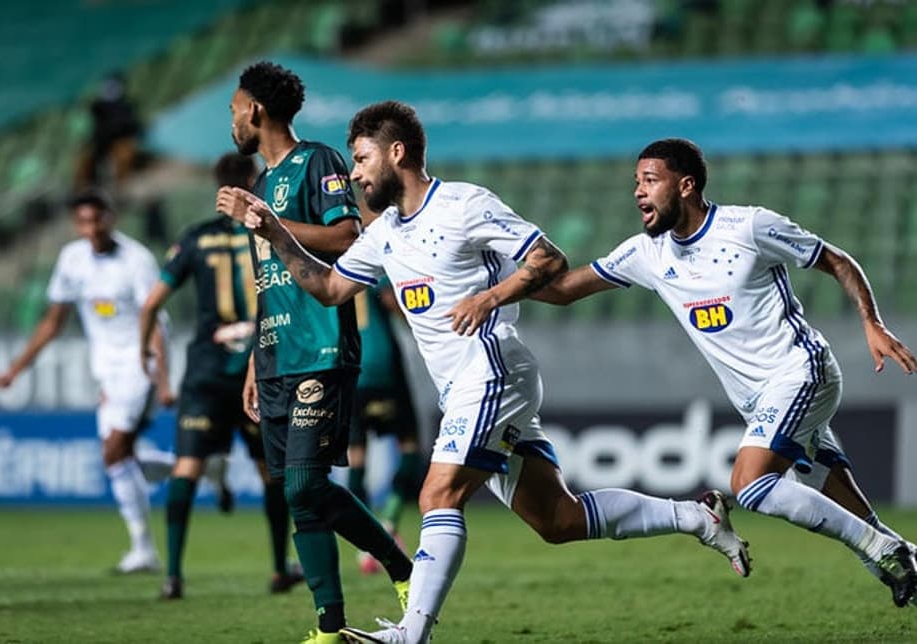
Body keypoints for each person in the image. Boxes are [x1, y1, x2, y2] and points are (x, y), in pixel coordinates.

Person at [221, 100, 754, 644]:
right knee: (557, 520)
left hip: (493, 366)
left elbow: (548, 259)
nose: (354, 173)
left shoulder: (462, 204)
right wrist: (275, 233)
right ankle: (697, 517)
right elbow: (330, 289)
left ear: (396, 153)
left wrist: (489, 297)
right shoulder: (384, 234)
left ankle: (412, 633)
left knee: (438, 495)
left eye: (361, 159)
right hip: (463, 388)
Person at [531, 137, 917, 608]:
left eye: (650, 181)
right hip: (758, 399)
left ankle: (885, 550)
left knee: (751, 486)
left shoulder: (750, 227)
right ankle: (899, 554)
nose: (638, 192)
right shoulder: (646, 254)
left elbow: (835, 259)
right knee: (832, 490)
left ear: (686, 185)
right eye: (636, 183)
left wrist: (871, 322)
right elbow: (563, 290)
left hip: (801, 371)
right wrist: (488, 285)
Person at [214, 62, 412, 644]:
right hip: (276, 353)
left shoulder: (316, 161)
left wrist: (271, 223)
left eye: (233, 110)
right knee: (296, 496)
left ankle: (402, 567)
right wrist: (255, 356)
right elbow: (268, 282)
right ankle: (329, 627)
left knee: (305, 485)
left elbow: (350, 237)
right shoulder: (259, 185)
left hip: (321, 346)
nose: (232, 122)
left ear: (254, 109)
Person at [139, 152, 304, 600]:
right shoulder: (270, 236)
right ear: (253, 183)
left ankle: (172, 575)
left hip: (206, 371)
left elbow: (152, 303)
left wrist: (144, 353)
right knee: (272, 471)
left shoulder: (195, 238)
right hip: (260, 364)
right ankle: (277, 568)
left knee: (186, 469)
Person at [0, 188, 174, 573]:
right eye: (84, 221)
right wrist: (14, 370)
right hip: (105, 367)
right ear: (77, 224)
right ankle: (194, 468)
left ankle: (143, 550)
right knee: (119, 459)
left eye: (98, 219)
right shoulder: (72, 258)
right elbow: (53, 321)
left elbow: (153, 318)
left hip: (140, 361)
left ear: (111, 217)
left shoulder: (136, 259)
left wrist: (163, 379)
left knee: (113, 451)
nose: (92, 228)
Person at [349, 279, 425, 575]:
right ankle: (389, 523)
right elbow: (395, 303)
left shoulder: (328, 270)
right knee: (410, 449)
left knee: (357, 460)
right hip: (385, 368)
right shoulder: (373, 267)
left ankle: (365, 543)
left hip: (351, 369)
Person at [74, 72, 144, 192]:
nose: (110, 90)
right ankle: (82, 188)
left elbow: (135, 127)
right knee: (85, 157)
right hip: (100, 141)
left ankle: (121, 187)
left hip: (119, 141)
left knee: (124, 153)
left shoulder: (127, 106)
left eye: (113, 86)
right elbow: (89, 122)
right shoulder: (97, 106)